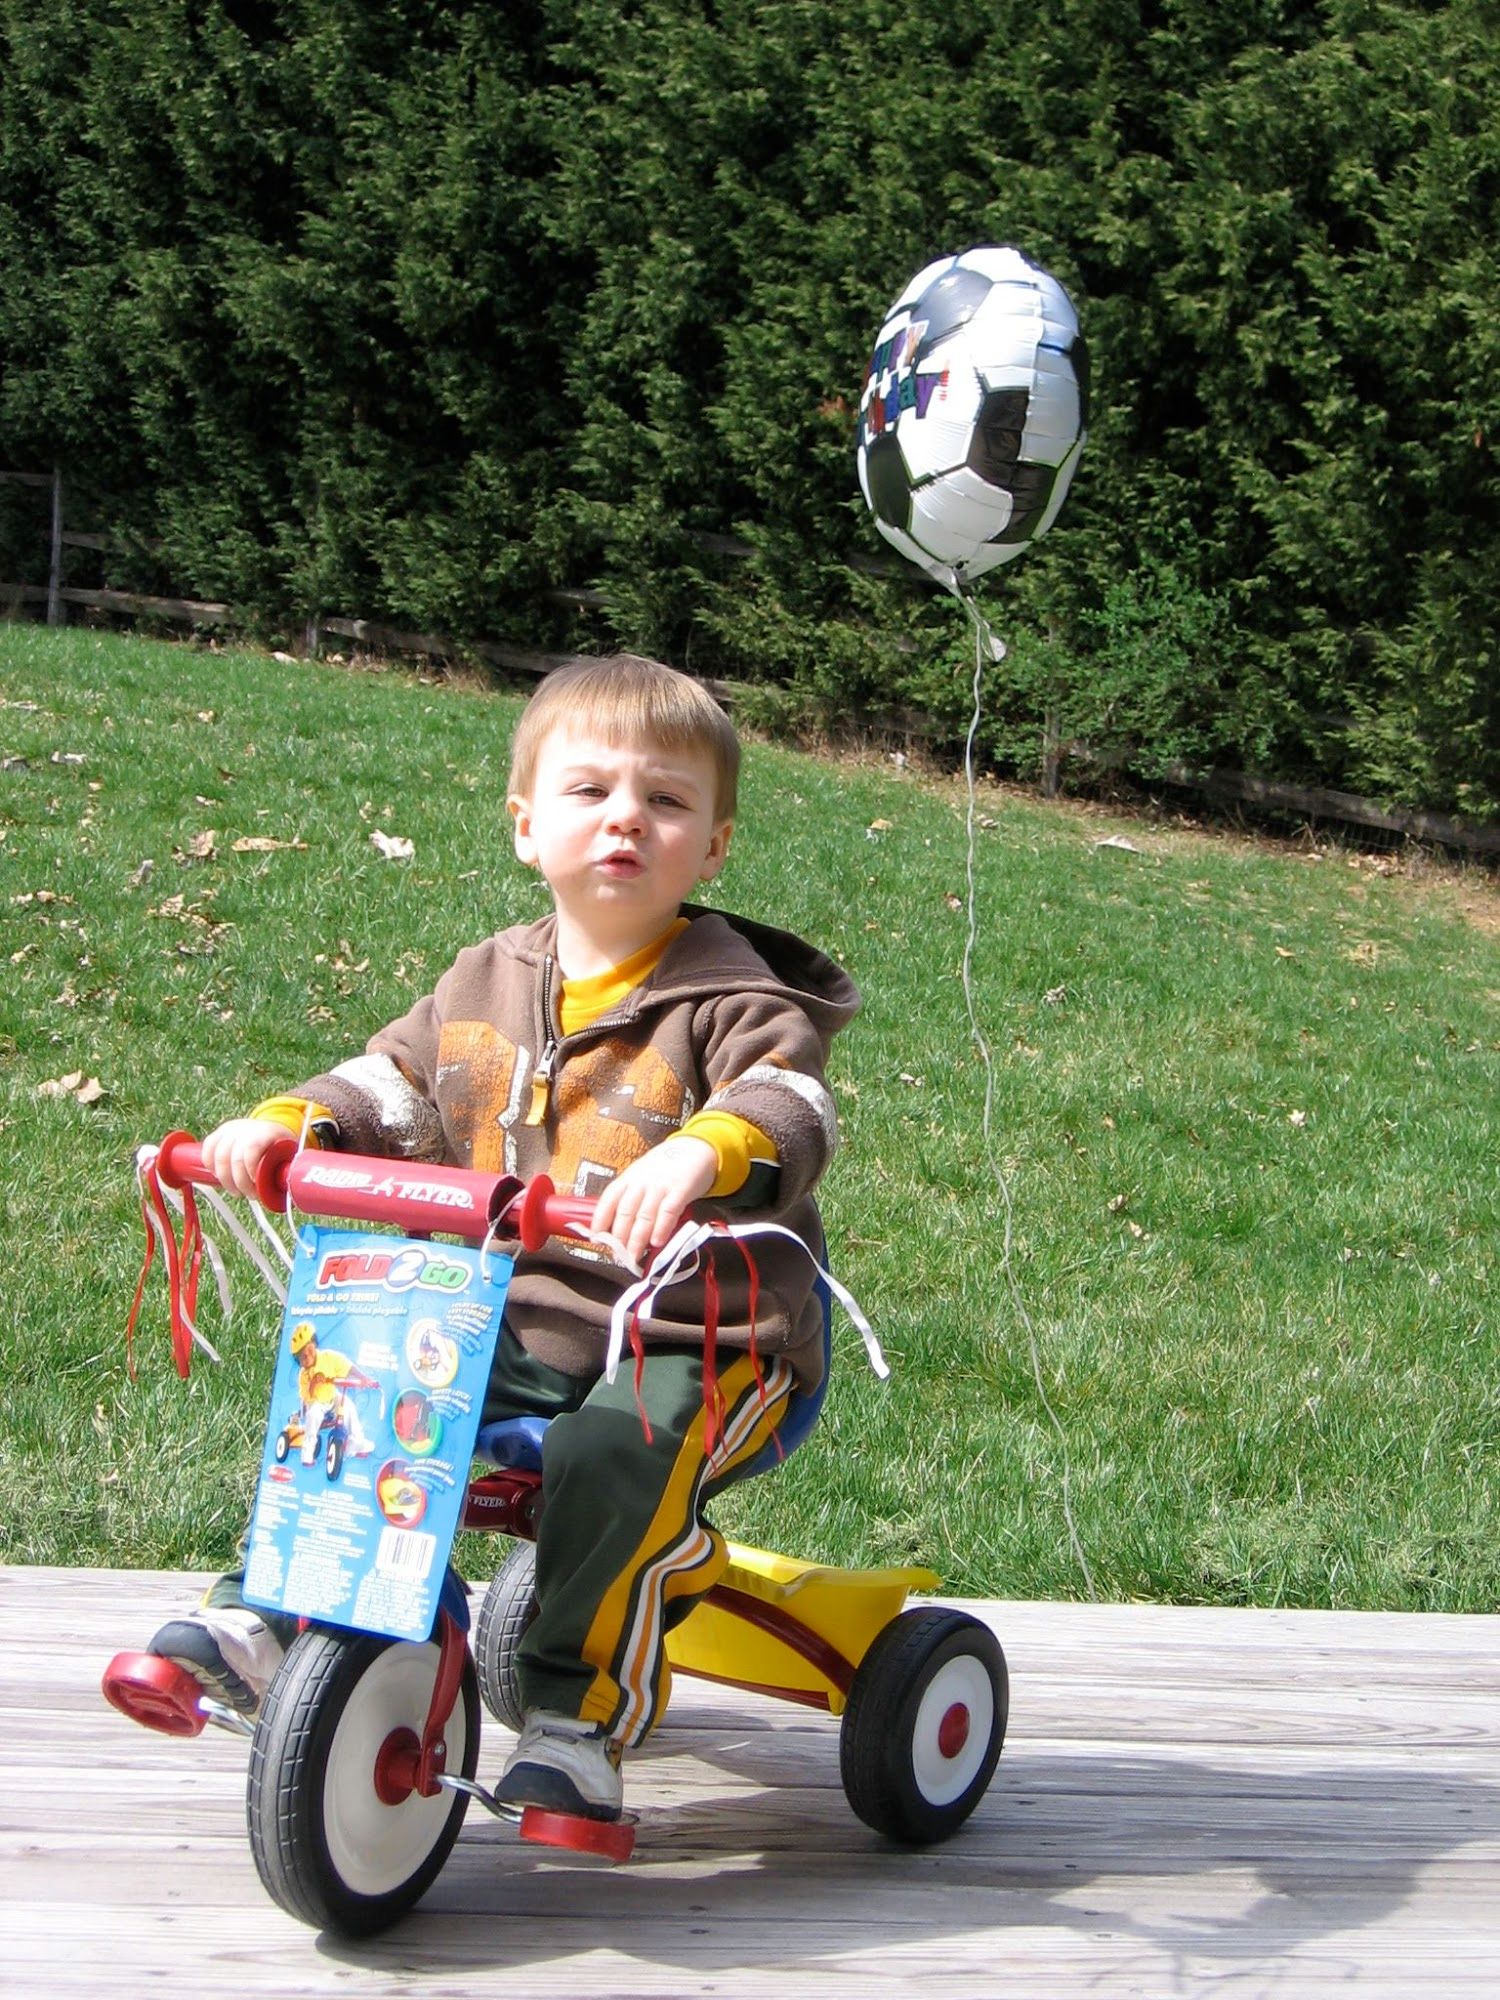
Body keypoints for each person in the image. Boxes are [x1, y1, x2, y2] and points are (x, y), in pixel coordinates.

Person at [144, 653, 860, 1821]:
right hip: (521, 1311)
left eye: (668, 800)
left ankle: (579, 1719)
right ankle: (264, 1617)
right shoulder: (486, 974)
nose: (627, 815)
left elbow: (796, 1102)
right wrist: (289, 1123)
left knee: (614, 1455)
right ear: (528, 826)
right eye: (590, 792)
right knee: (364, 1381)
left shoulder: (737, 999)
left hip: (705, 1331)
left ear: (714, 846)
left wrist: (705, 1148)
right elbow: (398, 1083)